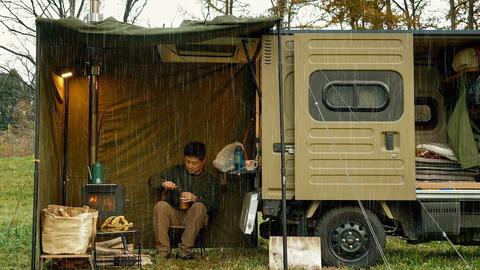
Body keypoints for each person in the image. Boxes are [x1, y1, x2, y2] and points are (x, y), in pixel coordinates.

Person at [149, 141, 220, 259]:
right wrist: (163, 183)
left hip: (194, 218)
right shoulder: (176, 171)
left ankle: (184, 251)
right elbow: (152, 179)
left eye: (194, 163)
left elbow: (214, 205)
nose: (190, 166)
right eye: (187, 162)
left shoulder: (210, 180)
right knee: (160, 206)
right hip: (175, 214)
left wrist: (196, 198)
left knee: (199, 206)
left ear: (203, 162)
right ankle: (163, 251)